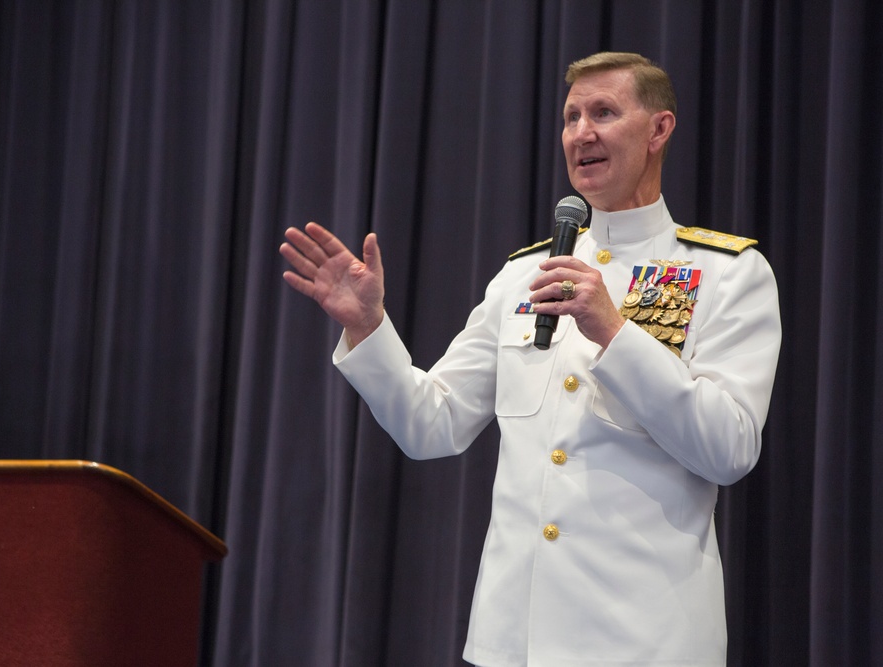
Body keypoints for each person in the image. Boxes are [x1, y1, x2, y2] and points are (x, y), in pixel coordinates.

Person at [280, 52, 780, 667]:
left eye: (603, 112)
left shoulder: (725, 274)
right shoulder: (523, 276)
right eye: (571, 117)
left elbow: (729, 449)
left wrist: (616, 334)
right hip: (512, 640)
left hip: (644, 641)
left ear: (659, 130)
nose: (581, 133)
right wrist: (368, 327)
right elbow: (429, 425)